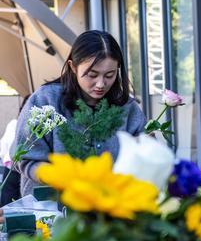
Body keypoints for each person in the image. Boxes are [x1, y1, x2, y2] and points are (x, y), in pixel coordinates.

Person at [13, 31, 146, 197]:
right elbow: (25, 158)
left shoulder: (127, 108)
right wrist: (62, 178)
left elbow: (145, 155)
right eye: (92, 75)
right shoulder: (46, 100)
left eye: (109, 75)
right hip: (51, 204)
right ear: (73, 67)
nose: (101, 84)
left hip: (111, 203)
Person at [0, 95, 29, 206]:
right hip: (15, 169)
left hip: (14, 168)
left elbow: (3, 147)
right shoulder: (15, 123)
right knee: (12, 204)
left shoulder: (15, 123)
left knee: (8, 205)